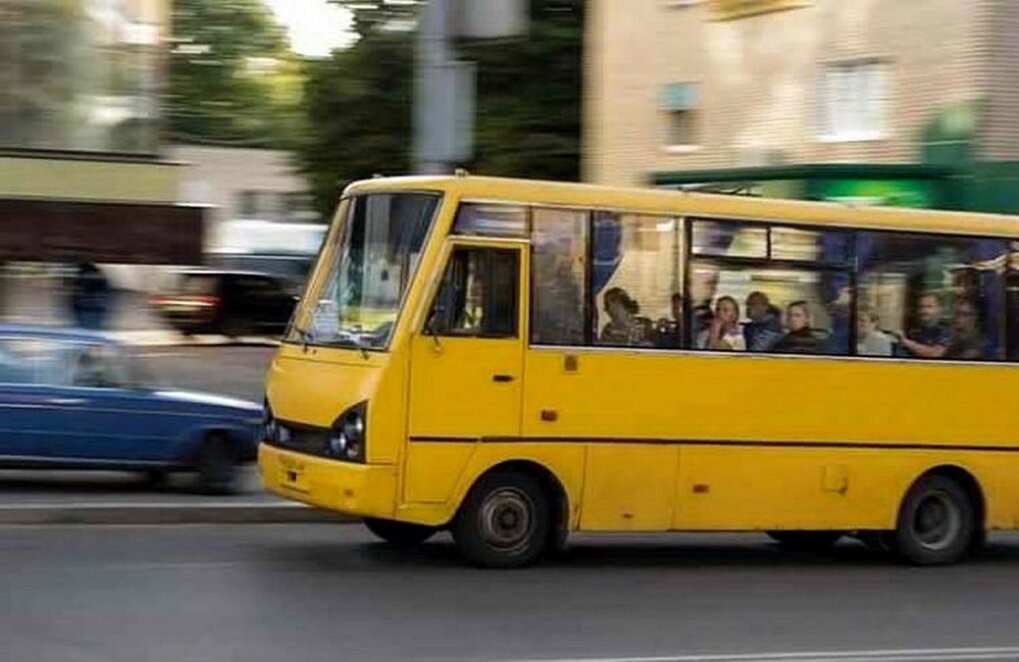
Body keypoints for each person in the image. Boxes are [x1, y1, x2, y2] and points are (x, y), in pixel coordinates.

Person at [898, 292, 950, 359]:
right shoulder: (914, 331)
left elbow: (935, 354)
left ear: (939, 309)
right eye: (921, 307)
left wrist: (906, 342)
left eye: (929, 306)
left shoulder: (946, 331)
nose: (924, 311)